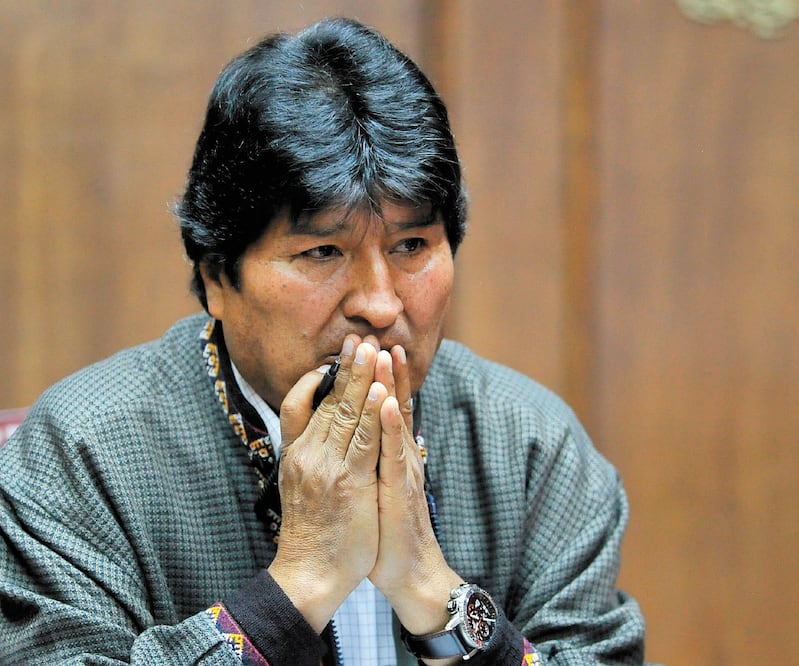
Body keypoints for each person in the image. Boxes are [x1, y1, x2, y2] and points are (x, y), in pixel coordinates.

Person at [0, 17, 646, 666]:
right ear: (216, 275)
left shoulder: (529, 445)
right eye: (321, 251)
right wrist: (297, 587)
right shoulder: (84, 455)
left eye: (411, 246)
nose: (380, 303)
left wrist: (431, 591)